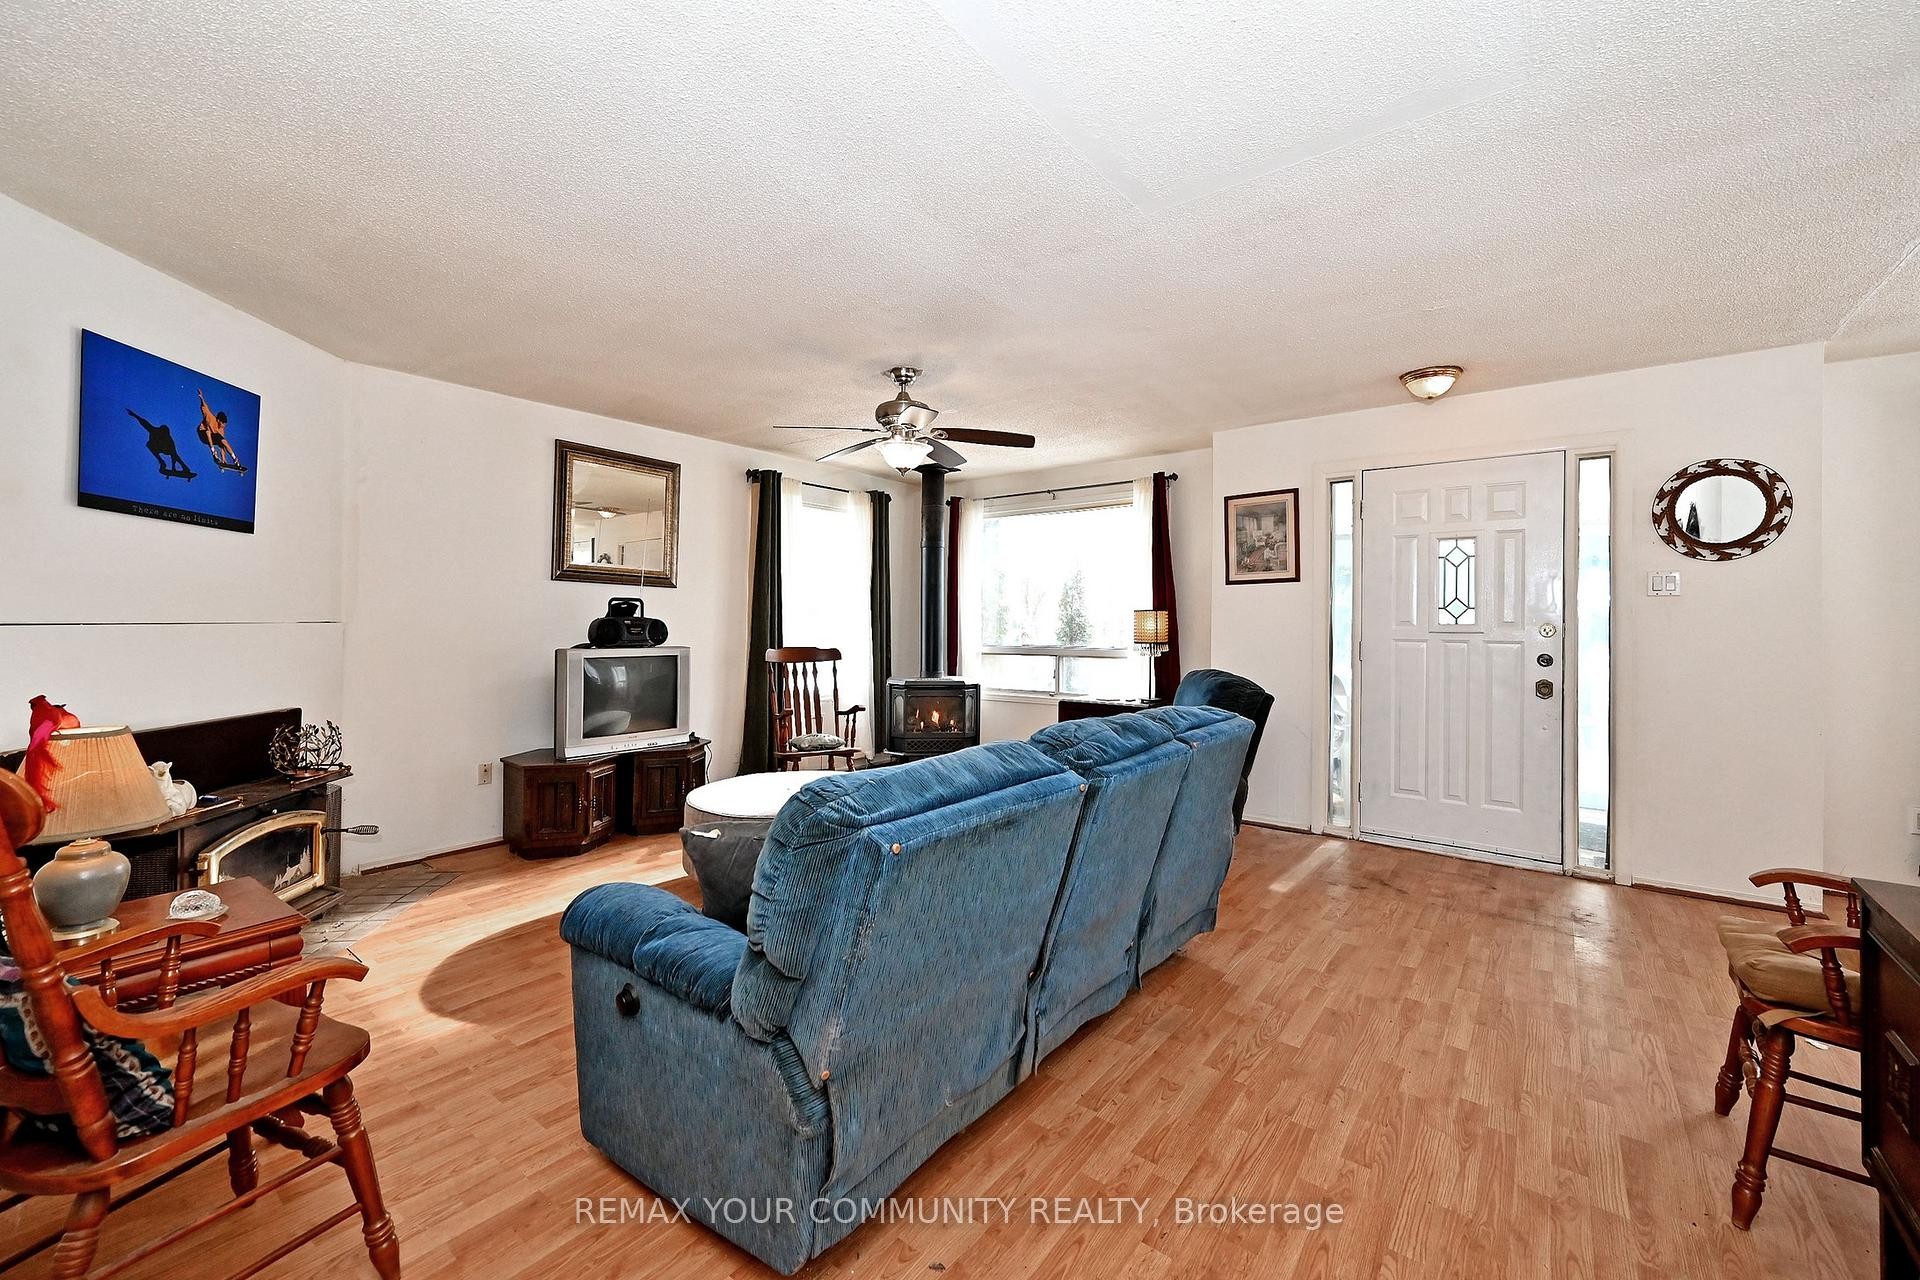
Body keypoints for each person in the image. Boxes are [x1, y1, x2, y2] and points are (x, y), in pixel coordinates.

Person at [127, 408, 195, 479]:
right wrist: (134, 415)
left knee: (174, 455)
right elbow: (144, 423)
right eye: (162, 435)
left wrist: (173, 468)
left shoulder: (169, 440)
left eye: (164, 436)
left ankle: (185, 467)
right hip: (156, 447)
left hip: (166, 449)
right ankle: (161, 461)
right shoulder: (154, 430)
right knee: (148, 444)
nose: (163, 437)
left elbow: (174, 455)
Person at [196, 389, 247, 472]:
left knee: (223, 441)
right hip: (202, 434)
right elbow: (205, 407)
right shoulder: (210, 418)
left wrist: (224, 461)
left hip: (212, 437)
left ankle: (235, 459)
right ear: (219, 420)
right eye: (223, 424)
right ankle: (213, 452)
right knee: (208, 431)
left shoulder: (221, 430)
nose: (223, 426)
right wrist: (201, 398)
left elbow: (222, 445)